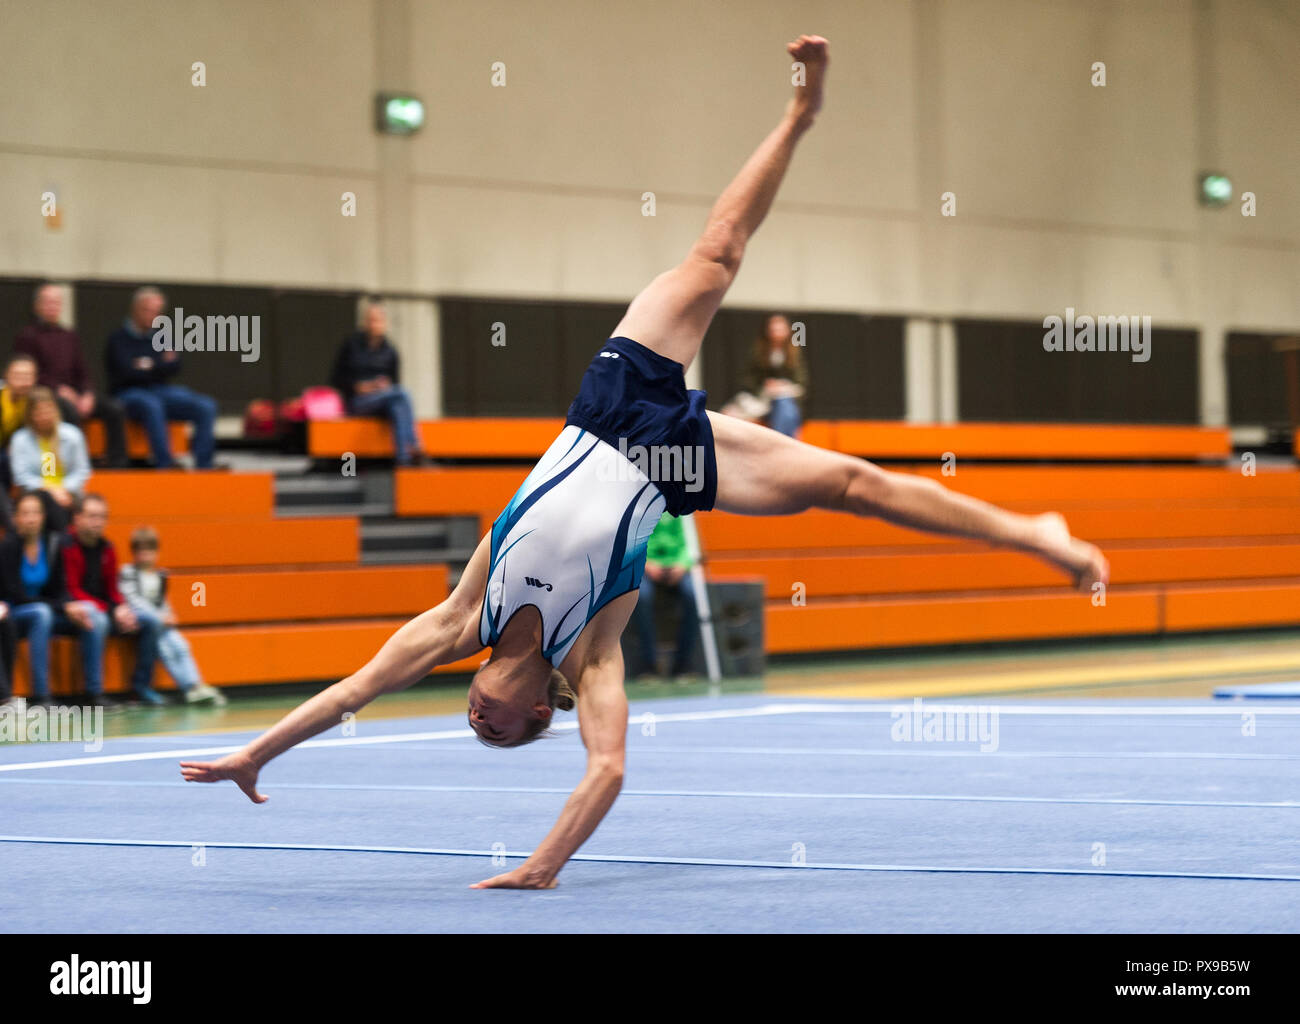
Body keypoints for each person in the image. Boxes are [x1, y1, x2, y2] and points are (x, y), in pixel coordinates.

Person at [181, 38, 1108, 891]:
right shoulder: (592, 657)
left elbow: (350, 691)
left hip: (607, 412)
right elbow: (609, 768)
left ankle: (800, 114)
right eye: (501, 735)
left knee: (716, 254)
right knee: (848, 484)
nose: (479, 725)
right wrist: (541, 867)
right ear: (540, 713)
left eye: (477, 724)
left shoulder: (462, 618)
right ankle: (1035, 535)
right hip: (664, 463)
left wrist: (257, 753)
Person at [0, 491, 101, 705]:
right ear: (16, 517)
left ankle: (94, 692)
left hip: (48, 610)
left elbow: (60, 589)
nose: (31, 518)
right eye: (25, 513)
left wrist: (69, 605)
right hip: (16, 614)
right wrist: (63, 608)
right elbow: (17, 595)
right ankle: (42, 694)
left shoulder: (52, 544)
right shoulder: (8, 546)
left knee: (90, 611)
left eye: (36, 513)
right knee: (41, 614)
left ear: (43, 516)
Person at [63, 492, 163, 705]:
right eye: (92, 516)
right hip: (72, 612)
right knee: (96, 618)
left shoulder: (108, 548)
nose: (97, 522)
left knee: (150, 621)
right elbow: (72, 590)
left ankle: (141, 688)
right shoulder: (66, 545)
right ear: (77, 518)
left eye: (102, 517)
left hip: (104, 610)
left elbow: (113, 590)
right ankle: (94, 693)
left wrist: (121, 608)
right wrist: (108, 609)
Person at [15, 283, 128, 468]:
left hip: (75, 393)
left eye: (56, 302)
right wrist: (59, 389)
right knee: (68, 409)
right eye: (48, 302)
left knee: (115, 409)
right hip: (47, 394)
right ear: (37, 306)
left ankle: (118, 465)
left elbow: (82, 369)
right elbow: (31, 374)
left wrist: (87, 393)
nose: (53, 306)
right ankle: (78, 463)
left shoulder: (69, 335)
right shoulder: (27, 336)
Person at [104, 286, 218, 469]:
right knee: (151, 405)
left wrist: (145, 364)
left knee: (206, 406)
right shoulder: (118, 339)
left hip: (161, 391)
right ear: (135, 309)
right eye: (147, 311)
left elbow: (174, 365)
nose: (153, 316)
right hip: (128, 394)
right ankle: (165, 465)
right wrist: (157, 364)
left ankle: (204, 466)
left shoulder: (163, 336)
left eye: (157, 312)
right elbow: (125, 371)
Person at [119, 526, 225, 705]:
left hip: (160, 622)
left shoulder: (161, 575)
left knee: (181, 645)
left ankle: (197, 685)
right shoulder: (128, 572)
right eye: (141, 552)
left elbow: (162, 601)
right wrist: (159, 617)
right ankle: (188, 688)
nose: (145, 556)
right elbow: (133, 599)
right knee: (165, 650)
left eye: (150, 551)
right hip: (143, 622)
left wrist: (169, 615)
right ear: (134, 552)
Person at [329, 301, 426, 466]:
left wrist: (383, 387)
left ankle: (403, 460)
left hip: (383, 402)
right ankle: (415, 446)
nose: (374, 324)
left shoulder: (390, 351)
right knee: (402, 394)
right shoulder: (351, 346)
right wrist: (359, 387)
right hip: (357, 402)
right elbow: (336, 379)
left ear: (384, 323)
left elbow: (394, 384)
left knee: (398, 404)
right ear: (365, 322)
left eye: (378, 320)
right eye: (371, 320)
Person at [8, 387, 92, 533]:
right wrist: (51, 491)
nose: (44, 416)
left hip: (69, 493)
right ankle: (63, 540)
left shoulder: (72, 435)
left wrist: (63, 490)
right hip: (34, 494)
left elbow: (82, 471)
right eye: (38, 412)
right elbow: (21, 476)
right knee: (43, 502)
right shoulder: (20, 439)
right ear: (30, 415)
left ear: (55, 410)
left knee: (88, 508)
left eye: (48, 410)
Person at [630, 511, 699, 682]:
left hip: (677, 566)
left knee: (692, 596)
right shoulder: (638, 509)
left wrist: (683, 565)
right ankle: (649, 665)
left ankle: (682, 665)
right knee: (641, 597)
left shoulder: (682, 507)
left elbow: (689, 543)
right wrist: (646, 563)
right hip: (646, 566)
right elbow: (632, 542)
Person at [0, 353, 39, 533]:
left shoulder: (39, 402)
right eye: (18, 376)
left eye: (28, 376)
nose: (23, 382)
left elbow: (50, 446)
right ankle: (14, 524)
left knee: (48, 498)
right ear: (7, 376)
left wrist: (54, 483)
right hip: (11, 463)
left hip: (38, 468)